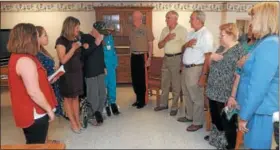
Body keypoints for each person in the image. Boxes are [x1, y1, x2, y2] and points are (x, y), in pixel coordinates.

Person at [236, 2, 279, 149]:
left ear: (263, 19)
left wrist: (244, 116)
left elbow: (258, 86)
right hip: (256, 108)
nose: (251, 22)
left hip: (260, 110)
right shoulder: (262, 42)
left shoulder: (270, 44)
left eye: (253, 18)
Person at [7, 23, 57, 144]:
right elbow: (33, 92)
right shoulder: (25, 60)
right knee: (36, 144)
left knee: (38, 141)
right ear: (28, 38)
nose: (37, 38)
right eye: (35, 35)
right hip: (34, 112)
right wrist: (49, 110)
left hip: (32, 110)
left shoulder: (22, 56)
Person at [205, 23, 246, 149]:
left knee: (227, 120)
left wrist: (233, 95)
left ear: (231, 35)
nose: (220, 37)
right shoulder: (221, 48)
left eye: (222, 35)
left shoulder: (240, 51)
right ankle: (217, 139)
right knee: (216, 117)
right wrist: (211, 56)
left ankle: (229, 144)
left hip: (226, 92)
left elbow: (239, 75)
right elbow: (210, 64)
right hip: (213, 89)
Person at [178, 10, 213, 132]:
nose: (190, 20)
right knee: (186, 94)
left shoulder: (206, 34)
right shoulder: (191, 32)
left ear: (199, 20)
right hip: (186, 68)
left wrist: (203, 76)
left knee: (196, 96)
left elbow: (208, 56)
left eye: (191, 18)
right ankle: (189, 116)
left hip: (196, 69)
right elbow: (183, 48)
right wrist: (186, 45)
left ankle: (197, 122)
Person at [155, 10, 187, 116]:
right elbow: (159, 45)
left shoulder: (182, 30)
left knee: (176, 85)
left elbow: (186, 47)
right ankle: (163, 104)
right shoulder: (164, 30)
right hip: (166, 59)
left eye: (168, 17)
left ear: (175, 19)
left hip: (177, 58)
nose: (166, 19)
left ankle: (174, 106)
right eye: (166, 17)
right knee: (164, 83)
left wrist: (183, 63)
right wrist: (166, 38)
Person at [55, 16, 84, 133]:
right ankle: (72, 122)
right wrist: (73, 49)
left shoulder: (76, 39)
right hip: (67, 75)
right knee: (68, 99)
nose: (78, 29)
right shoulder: (61, 40)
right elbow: (62, 60)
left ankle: (77, 120)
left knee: (76, 97)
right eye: (77, 27)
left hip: (77, 73)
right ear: (70, 27)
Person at [36, 26, 66, 119]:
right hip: (47, 85)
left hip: (52, 83)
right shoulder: (36, 54)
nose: (47, 37)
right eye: (45, 35)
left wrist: (55, 70)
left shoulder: (42, 51)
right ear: (37, 37)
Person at [81, 21, 106, 125]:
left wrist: (104, 66)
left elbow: (100, 54)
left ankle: (98, 113)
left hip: (100, 70)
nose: (102, 35)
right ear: (94, 30)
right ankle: (92, 115)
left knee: (102, 94)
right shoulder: (85, 37)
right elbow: (84, 54)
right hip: (90, 71)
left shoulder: (99, 39)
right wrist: (96, 43)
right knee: (93, 95)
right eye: (99, 32)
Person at [129, 11, 154, 109]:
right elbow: (131, 43)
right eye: (132, 16)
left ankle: (142, 100)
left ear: (140, 18)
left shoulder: (146, 28)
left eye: (134, 16)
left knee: (142, 79)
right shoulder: (132, 29)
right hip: (134, 56)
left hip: (143, 56)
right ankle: (138, 98)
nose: (133, 18)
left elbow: (150, 44)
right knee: (135, 79)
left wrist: (149, 58)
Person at [102, 28, 120, 116]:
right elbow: (99, 54)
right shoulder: (100, 39)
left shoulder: (110, 38)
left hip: (111, 66)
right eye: (108, 30)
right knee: (104, 86)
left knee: (112, 85)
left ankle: (112, 102)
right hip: (104, 67)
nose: (109, 32)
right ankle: (105, 104)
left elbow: (113, 51)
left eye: (110, 31)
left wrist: (115, 63)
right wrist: (102, 66)